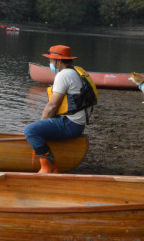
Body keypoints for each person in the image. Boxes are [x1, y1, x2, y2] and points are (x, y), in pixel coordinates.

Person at [24, 45, 94, 174]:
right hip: (77, 123)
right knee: (39, 128)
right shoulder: (77, 71)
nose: (50, 63)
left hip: (70, 124)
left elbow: (52, 106)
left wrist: (39, 125)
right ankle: (49, 163)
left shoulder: (63, 75)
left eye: (51, 60)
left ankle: (49, 166)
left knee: (30, 130)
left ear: (58, 61)